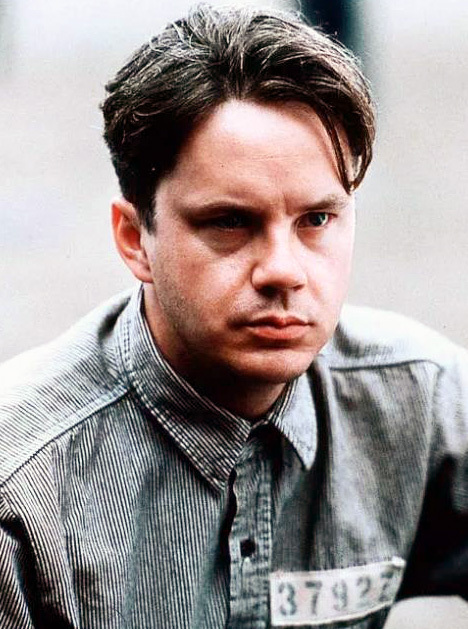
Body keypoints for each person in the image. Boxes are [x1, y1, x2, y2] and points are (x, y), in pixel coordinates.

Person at [0, 4, 467, 628]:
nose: (283, 270)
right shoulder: (22, 486)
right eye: (229, 222)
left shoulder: (425, 400)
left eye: (316, 219)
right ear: (135, 238)